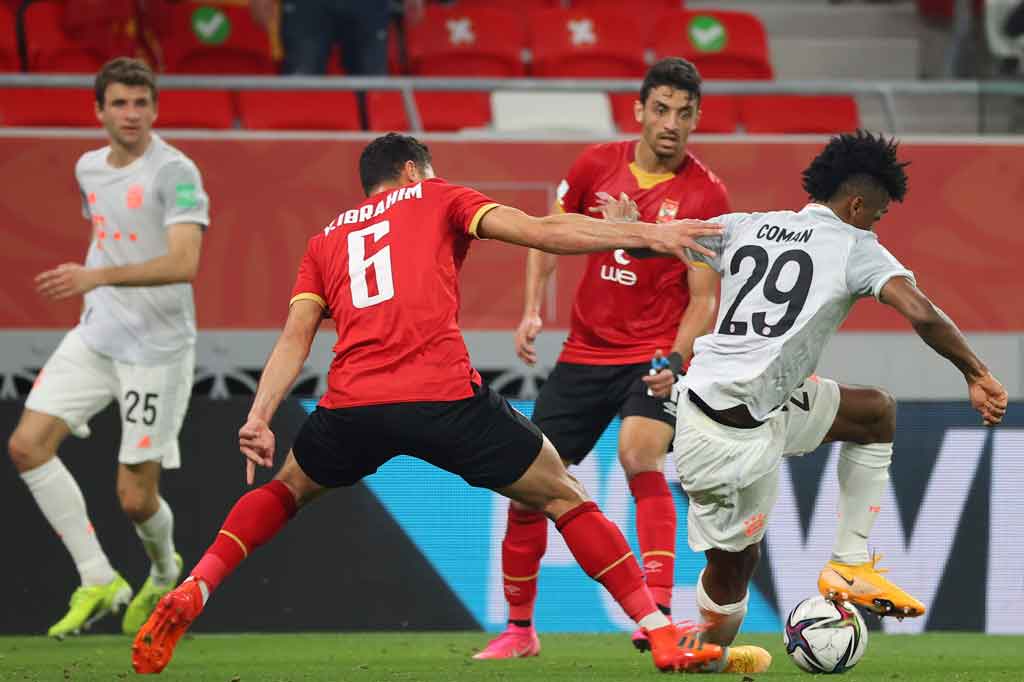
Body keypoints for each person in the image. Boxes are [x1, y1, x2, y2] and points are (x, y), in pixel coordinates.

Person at [131, 133, 730, 675]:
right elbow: (542, 231)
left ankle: (194, 587)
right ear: (415, 170)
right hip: (442, 396)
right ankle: (660, 634)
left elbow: (296, 336)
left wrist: (259, 415)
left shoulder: (326, 240)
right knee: (562, 494)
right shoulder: (437, 195)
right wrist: (650, 233)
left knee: (283, 491)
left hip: (351, 406)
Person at [672, 130, 1007, 670]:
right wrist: (977, 372)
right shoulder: (856, 245)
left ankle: (849, 562)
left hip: (755, 408)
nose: (876, 225)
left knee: (874, 412)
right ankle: (705, 655)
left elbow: (664, 239)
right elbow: (921, 312)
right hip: (722, 443)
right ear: (856, 204)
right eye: (876, 215)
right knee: (735, 565)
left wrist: (623, 225)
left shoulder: (746, 225)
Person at [476, 57, 729, 659]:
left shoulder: (706, 192)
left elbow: (703, 299)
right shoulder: (595, 166)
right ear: (639, 110)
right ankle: (519, 630)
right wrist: (533, 307)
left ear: (696, 121)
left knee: (640, 453)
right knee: (529, 483)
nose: (671, 123)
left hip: (652, 355)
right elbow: (543, 234)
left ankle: (658, 611)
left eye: (684, 113)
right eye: (661, 109)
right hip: (585, 353)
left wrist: (674, 356)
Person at [7, 57, 209, 638]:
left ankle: (165, 570)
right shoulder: (88, 168)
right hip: (97, 336)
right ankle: (98, 578)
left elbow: (184, 262)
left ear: (155, 109)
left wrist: (97, 278)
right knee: (27, 447)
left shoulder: (175, 172)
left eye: (141, 103)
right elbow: (109, 232)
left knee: (134, 498)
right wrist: (97, 284)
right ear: (99, 111)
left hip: (157, 351)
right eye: (119, 103)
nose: (131, 114)